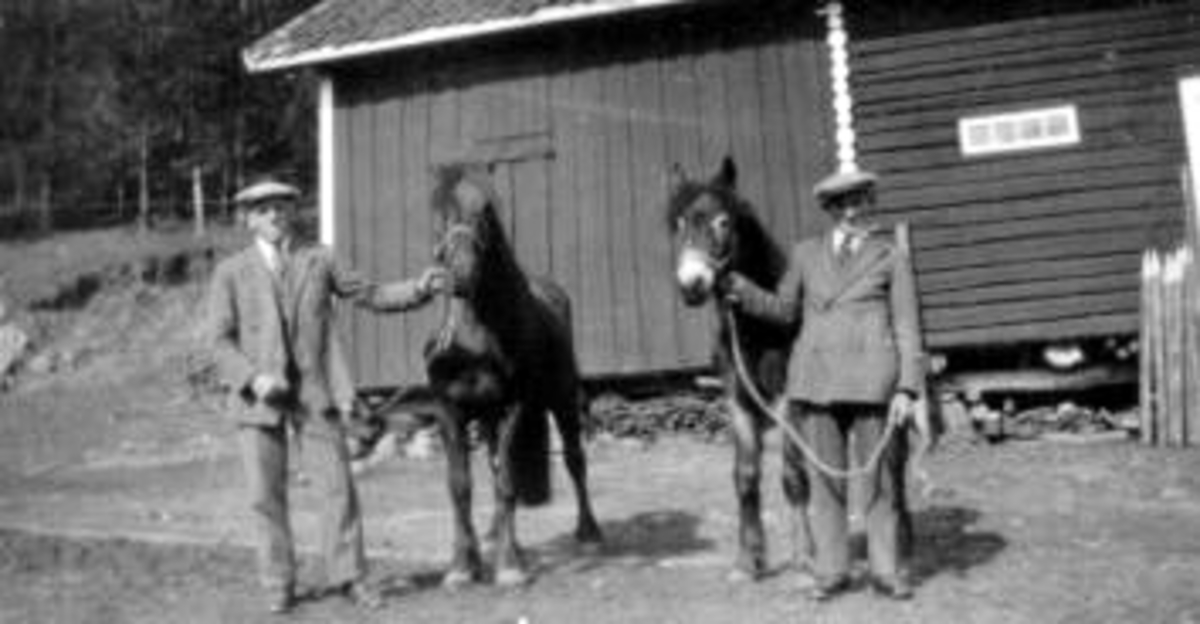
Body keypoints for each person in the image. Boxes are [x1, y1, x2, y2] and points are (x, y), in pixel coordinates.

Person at [206, 178, 444, 614]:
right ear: (249, 220)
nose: (273, 215)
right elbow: (218, 343)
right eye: (262, 210)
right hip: (258, 401)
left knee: (337, 489)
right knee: (265, 495)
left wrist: (419, 288)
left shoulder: (320, 260)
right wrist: (254, 379)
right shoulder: (230, 272)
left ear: (293, 212)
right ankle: (278, 583)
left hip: (315, 395)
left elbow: (370, 294)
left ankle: (350, 577)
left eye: (280, 207)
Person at [722, 169, 923, 602]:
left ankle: (886, 571)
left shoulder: (889, 256)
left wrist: (907, 388)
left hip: (874, 381)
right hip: (816, 382)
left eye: (859, 201)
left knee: (879, 482)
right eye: (841, 204)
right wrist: (741, 289)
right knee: (825, 483)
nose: (852, 211)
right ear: (830, 210)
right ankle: (832, 571)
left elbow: (907, 327)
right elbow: (782, 310)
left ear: (870, 203)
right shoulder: (806, 254)